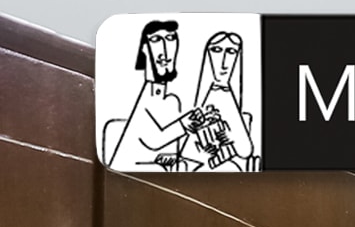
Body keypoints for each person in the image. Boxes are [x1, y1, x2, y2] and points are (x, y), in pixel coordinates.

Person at [101, 18, 191, 169]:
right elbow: (153, 139)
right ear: (144, 48)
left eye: (170, 38)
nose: (164, 49)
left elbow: (168, 149)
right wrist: (185, 124)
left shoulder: (172, 101)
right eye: (156, 40)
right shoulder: (145, 95)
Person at [186, 29, 256, 170]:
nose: (224, 61)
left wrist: (225, 135)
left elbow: (245, 149)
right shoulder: (198, 97)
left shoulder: (230, 97)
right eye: (217, 50)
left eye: (231, 52)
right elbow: (187, 149)